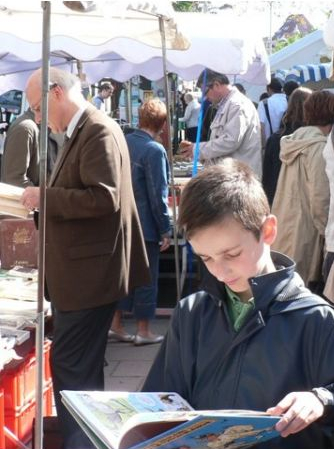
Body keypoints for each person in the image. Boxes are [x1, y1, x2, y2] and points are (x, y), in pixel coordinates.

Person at [142, 159, 334, 449]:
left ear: (267, 231)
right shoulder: (191, 312)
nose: (219, 271)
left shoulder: (317, 320)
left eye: (231, 254)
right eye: (205, 258)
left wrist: (321, 399)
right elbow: (161, 398)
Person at [21, 67, 150, 449]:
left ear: (56, 92)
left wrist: (45, 197)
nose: (39, 119)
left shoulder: (96, 130)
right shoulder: (87, 129)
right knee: (79, 371)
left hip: (89, 277)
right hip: (83, 273)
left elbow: (103, 197)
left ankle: (85, 442)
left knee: (73, 371)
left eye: (38, 108)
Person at [109, 98, 171, 345]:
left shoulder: (124, 142)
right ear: (163, 124)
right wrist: (165, 228)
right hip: (145, 225)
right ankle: (143, 331)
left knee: (123, 276)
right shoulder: (154, 150)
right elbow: (158, 194)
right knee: (145, 277)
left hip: (121, 222)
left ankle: (116, 324)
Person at [272, 90, 334, 292]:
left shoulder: (296, 140)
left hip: (286, 226)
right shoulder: (318, 147)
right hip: (305, 232)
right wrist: (328, 233)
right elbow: (320, 199)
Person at [180, 69, 262, 177]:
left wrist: (197, 149)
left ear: (217, 85)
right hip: (231, 175)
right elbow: (220, 141)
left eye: (205, 92)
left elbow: (230, 141)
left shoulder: (237, 105)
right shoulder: (227, 104)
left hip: (239, 178)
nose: (205, 97)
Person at [262, 87, 312, 206]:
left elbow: (267, 177)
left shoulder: (274, 139)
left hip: (277, 200)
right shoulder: (314, 140)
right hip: (304, 203)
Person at [1, 108, 62, 187]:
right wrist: (43, 196)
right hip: (25, 198)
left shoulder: (46, 126)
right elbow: (14, 179)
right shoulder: (24, 129)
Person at [257, 76, 287, 148]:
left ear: (269, 89)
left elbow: (261, 126)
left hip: (271, 145)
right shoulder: (289, 100)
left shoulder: (264, 103)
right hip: (288, 144)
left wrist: (263, 147)